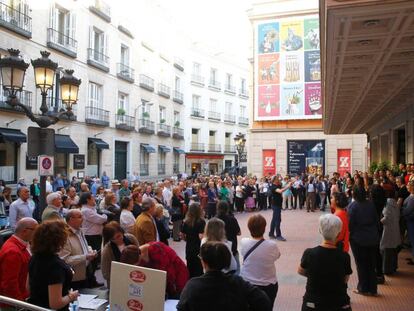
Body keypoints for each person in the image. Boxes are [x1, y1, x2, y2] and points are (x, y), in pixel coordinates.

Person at [177, 241, 271, 311]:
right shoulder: (237, 282)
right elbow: (264, 301)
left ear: (204, 262)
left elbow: (181, 308)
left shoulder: (192, 286)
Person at [298, 214, 352, 311]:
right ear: (339, 234)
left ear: (320, 231)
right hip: (338, 303)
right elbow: (345, 279)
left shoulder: (309, 253)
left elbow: (301, 271)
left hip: (313, 303)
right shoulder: (344, 256)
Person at [28, 221, 80, 311]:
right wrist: (72, 296)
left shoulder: (34, 258)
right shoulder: (56, 266)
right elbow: (55, 304)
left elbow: (28, 288)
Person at [120, 242, 189, 299]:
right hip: (165, 279)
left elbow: (167, 274)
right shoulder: (136, 255)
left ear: (139, 257)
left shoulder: (156, 249)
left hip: (177, 274)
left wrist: (161, 292)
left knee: (177, 299)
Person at [240, 214, 280, 309]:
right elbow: (277, 256)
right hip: (268, 285)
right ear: (264, 228)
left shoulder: (244, 242)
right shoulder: (272, 245)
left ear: (249, 228)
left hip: (247, 283)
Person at [348, 185, 379, 296]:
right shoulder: (370, 204)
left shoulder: (353, 206)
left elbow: (350, 224)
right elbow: (376, 219)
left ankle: (363, 287)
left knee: (361, 263)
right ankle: (373, 288)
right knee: (371, 263)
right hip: (372, 237)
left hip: (358, 239)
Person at [59, 209, 100, 289]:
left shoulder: (79, 230)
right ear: (71, 219)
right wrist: (85, 257)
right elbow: (64, 260)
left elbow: (83, 246)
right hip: (74, 277)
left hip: (85, 271)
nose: (83, 219)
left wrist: (90, 251)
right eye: (80, 217)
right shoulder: (64, 235)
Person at [0, 218, 38, 305]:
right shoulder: (13, 252)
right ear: (25, 231)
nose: (38, 233)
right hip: (16, 304)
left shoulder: (23, 244)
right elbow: (10, 284)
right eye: (36, 230)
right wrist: (21, 304)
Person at [101, 221, 138, 286]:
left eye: (118, 236)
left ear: (122, 231)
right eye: (113, 239)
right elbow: (105, 273)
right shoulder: (107, 250)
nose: (117, 240)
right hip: (117, 283)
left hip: (136, 278)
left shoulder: (131, 239)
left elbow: (139, 255)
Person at [80, 192, 107, 276]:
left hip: (95, 235)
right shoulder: (86, 210)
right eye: (92, 198)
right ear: (88, 200)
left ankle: (92, 278)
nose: (94, 199)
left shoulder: (91, 208)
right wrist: (105, 215)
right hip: (91, 236)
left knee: (96, 257)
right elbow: (101, 219)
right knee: (93, 258)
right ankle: (91, 278)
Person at [181, 202, 206, 278]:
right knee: (198, 268)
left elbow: (182, 235)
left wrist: (187, 239)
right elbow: (201, 236)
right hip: (198, 247)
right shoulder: (201, 222)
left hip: (189, 247)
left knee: (190, 267)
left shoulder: (186, 221)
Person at [380, 187, 400, 275]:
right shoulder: (395, 203)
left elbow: (386, 218)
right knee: (393, 250)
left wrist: (380, 221)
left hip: (388, 229)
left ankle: (387, 270)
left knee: (387, 250)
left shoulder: (387, 203)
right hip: (395, 228)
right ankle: (393, 267)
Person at [217, 200, 241, 271]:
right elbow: (239, 233)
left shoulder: (214, 219)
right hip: (232, 247)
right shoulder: (232, 219)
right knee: (236, 270)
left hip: (219, 248)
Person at [269, 176, 291, 241]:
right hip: (275, 205)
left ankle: (271, 233)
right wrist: (288, 186)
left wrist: (289, 184)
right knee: (277, 220)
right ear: (274, 180)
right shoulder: (273, 187)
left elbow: (283, 188)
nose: (279, 180)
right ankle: (278, 235)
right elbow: (281, 191)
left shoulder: (277, 185)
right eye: (277, 179)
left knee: (274, 220)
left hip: (277, 205)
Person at [402, 180, 414, 264]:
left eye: (409, 185)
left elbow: (408, 210)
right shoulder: (411, 196)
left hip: (412, 222)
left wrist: (401, 210)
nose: (407, 186)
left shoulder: (412, 198)